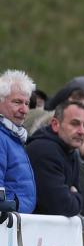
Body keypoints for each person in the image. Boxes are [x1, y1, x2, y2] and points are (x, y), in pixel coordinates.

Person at [26, 101, 84, 216]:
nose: (82, 131)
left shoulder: (70, 152)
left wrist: (74, 196)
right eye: (75, 124)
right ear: (55, 124)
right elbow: (62, 207)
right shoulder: (44, 150)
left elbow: (78, 200)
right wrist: (76, 196)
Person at [0, 69, 37, 214]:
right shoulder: (3, 136)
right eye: (17, 102)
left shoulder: (14, 136)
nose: (24, 110)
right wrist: (10, 206)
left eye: (27, 103)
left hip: (16, 222)